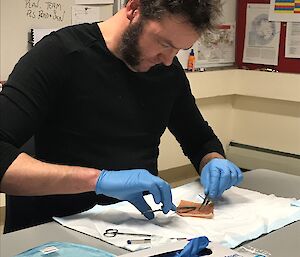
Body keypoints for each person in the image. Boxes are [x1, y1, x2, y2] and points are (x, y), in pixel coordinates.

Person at [0, 0, 243, 234]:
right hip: (60, 228)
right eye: (164, 44)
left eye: (180, 49)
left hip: (137, 228)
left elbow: (199, 140)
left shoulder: (167, 71)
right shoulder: (60, 55)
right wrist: (98, 180)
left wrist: (212, 161)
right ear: (134, 8)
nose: (169, 60)